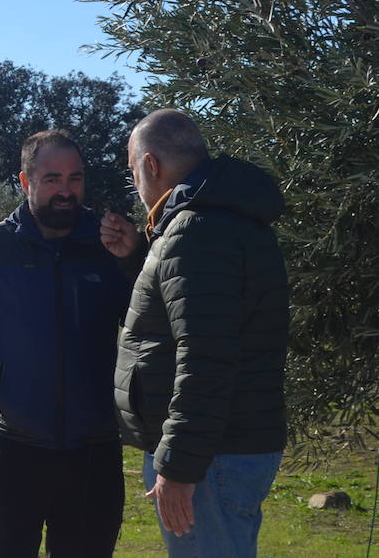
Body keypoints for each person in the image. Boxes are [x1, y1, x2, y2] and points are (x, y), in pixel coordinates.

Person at [0, 129, 142, 557]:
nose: (67, 191)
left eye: (75, 178)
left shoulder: (109, 243)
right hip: (16, 447)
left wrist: (134, 260)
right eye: (52, 179)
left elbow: (150, 322)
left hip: (94, 451)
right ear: (26, 182)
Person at [103, 109, 288, 556]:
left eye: (133, 172)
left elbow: (206, 358)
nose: (137, 187)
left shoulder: (196, 232)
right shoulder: (226, 220)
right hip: (224, 448)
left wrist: (179, 468)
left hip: (209, 459)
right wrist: (138, 259)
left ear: (151, 165)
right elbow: (188, 320)